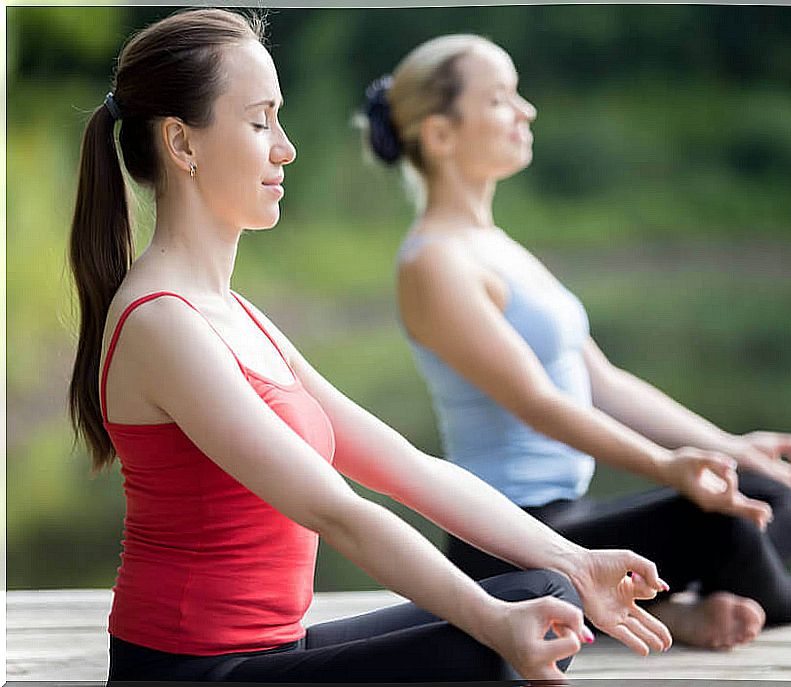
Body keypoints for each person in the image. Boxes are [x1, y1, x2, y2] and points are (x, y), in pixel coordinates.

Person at [68, 10, 676, 682]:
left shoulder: (236, 314)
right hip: (195, 672)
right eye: (259, 120)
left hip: (274, 654)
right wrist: (489, 619)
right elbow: (338, 511)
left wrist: (572, 558)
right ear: (182, 144)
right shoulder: (163, 324)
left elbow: (407, 467)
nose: (285, 148)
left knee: (546, 593)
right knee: (493, 637)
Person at [360, 34, 791, 650]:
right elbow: (539, 403)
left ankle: (669, 610)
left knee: (768, 496)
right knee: (728, 529)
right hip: (507, 543)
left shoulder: (498, 247)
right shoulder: (434, 264)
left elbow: (605, 384)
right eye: (500, 99)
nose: (525, 111)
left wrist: (729, 450)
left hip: (572, 512)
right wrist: (667, 467)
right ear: (439, 135)